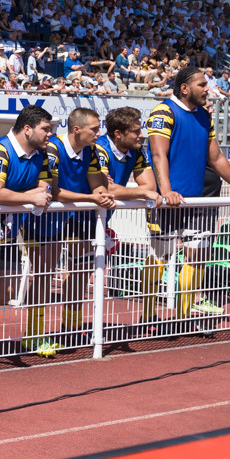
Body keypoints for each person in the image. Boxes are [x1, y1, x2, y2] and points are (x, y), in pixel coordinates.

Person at [147, 66, 230, 334]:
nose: (207, 89)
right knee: (159, 258)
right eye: (201, 84)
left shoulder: (204, 115)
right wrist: (166, 191)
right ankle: (148, 315)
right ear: (184, 88)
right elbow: (158, 154)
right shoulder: (163, 112)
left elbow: (217, 158)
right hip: (168, 201)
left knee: (198, 257)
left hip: (198, 202)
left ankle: (182, 319)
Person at [0, 105, 57, 356]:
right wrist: (29, 197)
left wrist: (25, 195)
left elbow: (45, 190)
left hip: (7, 232)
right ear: (27, 129)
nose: (50, 134)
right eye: (45, 129)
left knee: (7, 290)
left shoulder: (42, 154)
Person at [45, 107, 115, 349]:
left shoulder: (91, 150)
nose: (99, 133)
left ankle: (71, 327)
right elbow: (53, 191)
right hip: (44, 218)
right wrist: (92, 198)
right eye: (94, 129)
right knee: (43, 276)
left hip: (75, 216)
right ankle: (34, 332)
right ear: (76, 129)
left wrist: (101, 194)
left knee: (82, 270)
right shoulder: (53, 148)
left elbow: (97, 186)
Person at [94, 106, 163, 333]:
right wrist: (138, 192)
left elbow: (150, 185)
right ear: (118, 134)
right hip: (73, 216)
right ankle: (69, 327)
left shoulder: (137, 150)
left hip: (101, 216)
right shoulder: (99, 149)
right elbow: (106, 189)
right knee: (75, 274)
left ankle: (79, 328)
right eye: (136, 131)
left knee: (85, 272)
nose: (141, 135)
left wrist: (120, 189)